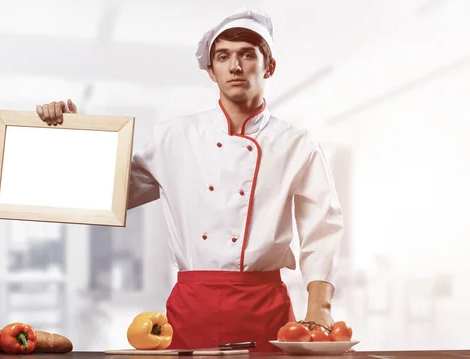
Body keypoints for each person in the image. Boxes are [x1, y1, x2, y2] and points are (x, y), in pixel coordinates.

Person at [36, 8, 344, 353]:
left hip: (265, 307)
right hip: (192, 306)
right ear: (211, 70)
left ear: (269, 66)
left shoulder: (297, 143)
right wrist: (75, 136)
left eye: (247, 55)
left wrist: (319, 309)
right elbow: (111, 194)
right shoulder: (175, 136)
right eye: (223, 56)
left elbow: (322, 228)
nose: (236, 66)